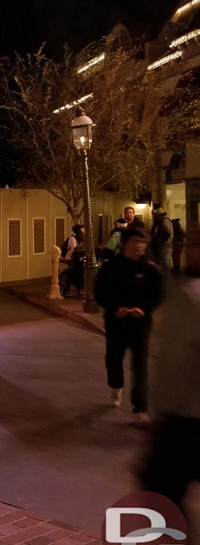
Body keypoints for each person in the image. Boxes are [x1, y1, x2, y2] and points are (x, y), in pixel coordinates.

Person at [140, 227, 200, 514]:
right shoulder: (185, 295)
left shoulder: (189, 300)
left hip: (186, 418)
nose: (187, 250)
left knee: (159, 486)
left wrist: (159, 412)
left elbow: (173, 363)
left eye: (193, 245)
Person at [94, 227, 166, 424]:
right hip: (116, 322)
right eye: (135, 241)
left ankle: (140, 408)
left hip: (140, 323)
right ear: (125, 243)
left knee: (140, 364)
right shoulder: (111, 267)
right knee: (113, 358)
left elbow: (159, 294)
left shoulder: (151, 270)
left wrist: (144, 309)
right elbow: (99, 292)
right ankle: (116, 385)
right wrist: (114, 308)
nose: (139, 246)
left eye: (142, 242)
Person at [150, 206, 174, 272]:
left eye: (154, 215)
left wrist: (161, 241)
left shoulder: (164, 221)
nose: (153, 216)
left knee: (164, 265)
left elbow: (167, 232)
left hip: (165, 247)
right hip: (163, 247)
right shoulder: (160, 221)